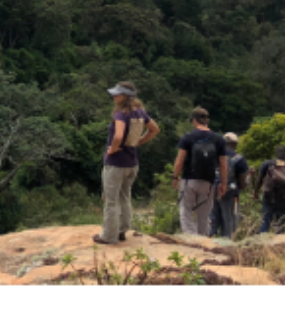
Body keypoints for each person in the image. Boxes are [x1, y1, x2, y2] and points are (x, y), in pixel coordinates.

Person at [94, 82, 161, 246]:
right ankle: (121, 230)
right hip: (131, 163)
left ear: (125, 96)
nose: (114, 96)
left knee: (111, 201)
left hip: (116, 164)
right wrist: (138, 142)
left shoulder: (120, 114)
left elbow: (118, 136)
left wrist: (113, 150)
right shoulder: (140, 112)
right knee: (125, 197)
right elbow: (154, 129)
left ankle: (109, 236)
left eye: (117, 94)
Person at [174, 108, 228, 237]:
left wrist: (175, 176)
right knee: (203, 215)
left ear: (194, 120)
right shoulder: (218, 139)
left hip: (189, 180)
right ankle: (202, 240)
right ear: (207, 121)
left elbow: (180, 160)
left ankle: (191, 239)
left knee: (186, 211)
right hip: (208, 182)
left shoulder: (188, 137)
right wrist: (223, 183)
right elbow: (223, 164)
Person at [209, 132, 248, 239]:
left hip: (212, 190)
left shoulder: (213, 156)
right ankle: (226, 245)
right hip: (230, 193)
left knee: (213, 220)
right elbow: (242, 183)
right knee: (229, 222)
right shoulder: (239, 159)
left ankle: (208, 241)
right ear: (235, 144)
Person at [253, 145, 285, 235]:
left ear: (276, 153)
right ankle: (279, 244)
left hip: (268, 195)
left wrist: (255, 192)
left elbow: (259, 179)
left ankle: (262, 241)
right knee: (280, 222)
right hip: (283, 197)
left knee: (265, 220)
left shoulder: (268, 163)